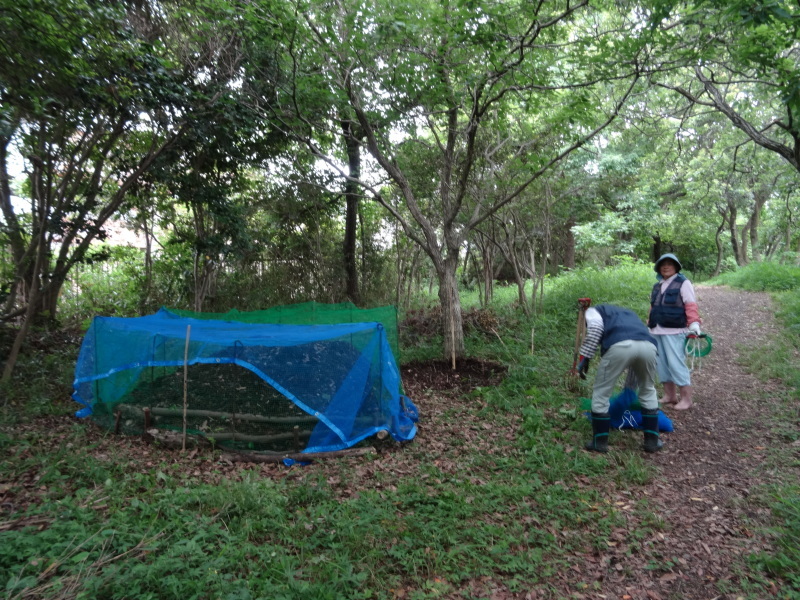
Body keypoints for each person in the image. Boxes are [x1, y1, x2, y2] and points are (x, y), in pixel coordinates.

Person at [577, 304, 662, 453]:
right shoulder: (629, 314)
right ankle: (652, 442)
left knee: (602, 392)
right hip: (648, 346)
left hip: (619, 346)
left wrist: (585, 357)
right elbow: (637, 347)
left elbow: (596, 329)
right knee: (648, 390)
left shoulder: (593, 311)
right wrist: (630, 386)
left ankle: (600, 442)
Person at [647, 253, 702, 411]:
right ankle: (670, 395)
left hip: (675, 330)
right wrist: (649, 322)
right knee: (662, 364)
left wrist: (694, 323)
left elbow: (690, 304)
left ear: (676, 267)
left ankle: (686, 399)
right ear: (659, 268)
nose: (666, 267)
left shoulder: (683, 283)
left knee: (676, 363)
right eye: (663, 264)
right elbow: (653, 306)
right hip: (657, 330)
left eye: (670, 264)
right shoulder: (657, 286)